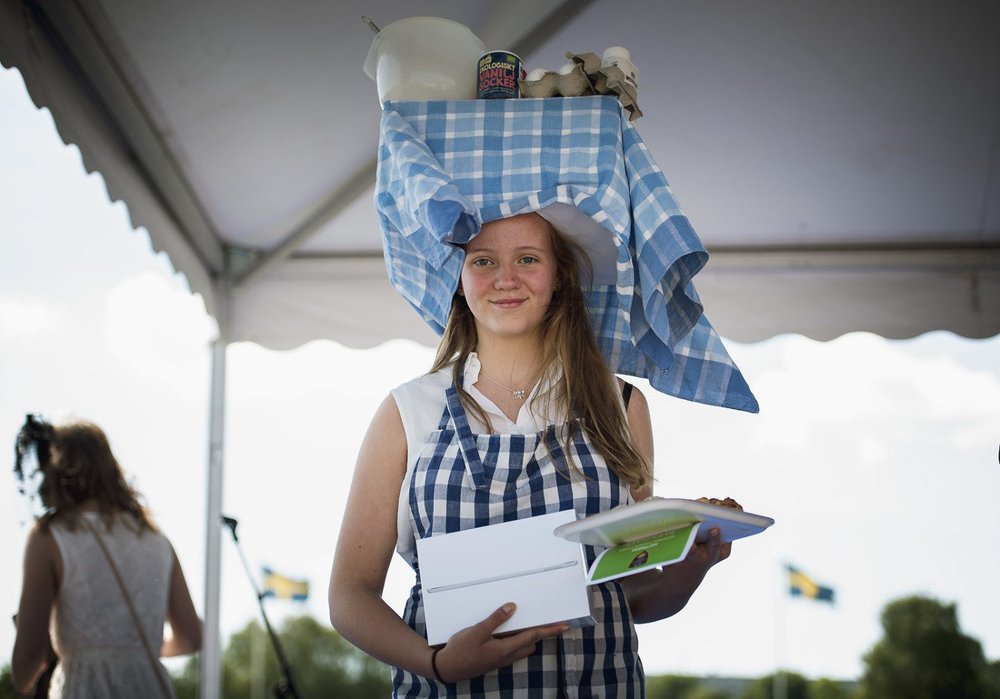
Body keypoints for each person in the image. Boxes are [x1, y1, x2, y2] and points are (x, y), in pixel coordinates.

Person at [329, 212, 731, 696]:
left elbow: (631, 593)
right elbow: (350, 596)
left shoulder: (620, 405)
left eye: (527, 258)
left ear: (559, 276)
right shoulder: (408, 410)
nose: (506, 278)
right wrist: (436, 663)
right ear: (457, 280)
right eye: (483, 260)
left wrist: (688, 568)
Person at [11, 416, 202, 698]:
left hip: (86, 687)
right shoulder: (157, 540)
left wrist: (21, 680)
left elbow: (30, 655)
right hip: (149, 685)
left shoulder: (50, 537)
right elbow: (190, 637)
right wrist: (132, 648)